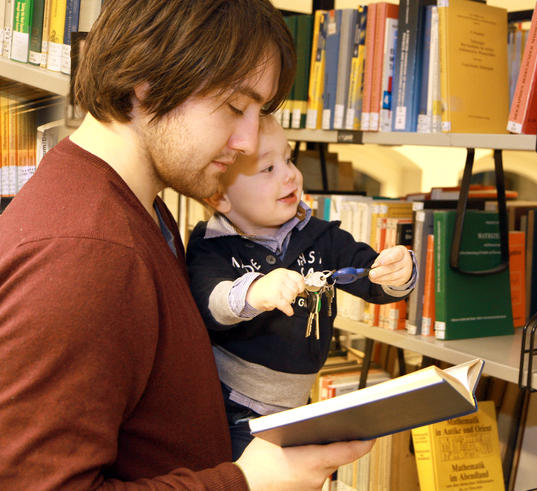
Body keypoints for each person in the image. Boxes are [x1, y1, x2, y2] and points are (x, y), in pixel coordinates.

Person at [0, 0, 373, 489]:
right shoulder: (87, 252)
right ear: (148, 80)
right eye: (236, 107)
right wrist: (246, 482)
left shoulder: (141, 205)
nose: (246, 140)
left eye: (258, 113)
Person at [186, 114, 416, 457]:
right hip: (231, 408)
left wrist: (398, 272)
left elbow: (371, 279)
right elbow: (210, 303)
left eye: (289, 159)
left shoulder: (321, 237)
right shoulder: (212, 244)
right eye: (269, 169)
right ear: (219, 197)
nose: (291, 174)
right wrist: (254, 292)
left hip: (297, 409)